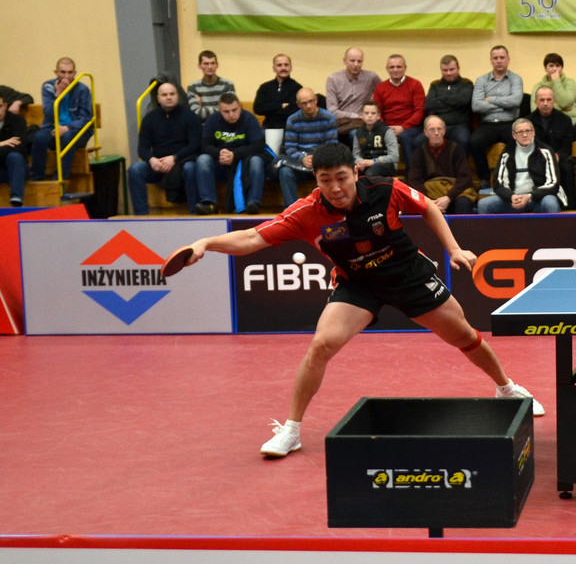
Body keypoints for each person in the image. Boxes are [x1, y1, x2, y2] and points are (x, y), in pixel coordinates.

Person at [174, 141, 541, 459]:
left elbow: (428, 207)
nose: (335, 188)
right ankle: (291, 430)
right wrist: (206, 243)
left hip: (408, 275)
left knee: (463, 335)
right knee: (322, 344)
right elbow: (252, 238)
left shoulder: (385, 188)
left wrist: (454, 249)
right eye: (325, 180)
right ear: (316, 180)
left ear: (355, 172)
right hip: (357, 284)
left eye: (341, 178)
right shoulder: (307, 212)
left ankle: (506, 388)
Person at [127, 82, 202, 215]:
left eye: (172, 94)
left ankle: (194, 213)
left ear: (177, 96)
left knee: (191, 168)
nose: (168, 97)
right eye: (164, 95)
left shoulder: (190, 117)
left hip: (182, 162)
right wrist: (152, 160)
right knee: (135, 169)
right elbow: (142, 148)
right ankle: (141, 216)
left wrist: (174, 158)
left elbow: (195, 145)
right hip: (158, 165)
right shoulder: (149, 118)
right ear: (158, 98)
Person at [198, 91, 267, 213]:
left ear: (240, 106)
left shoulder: (249, 119)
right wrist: (219, 153)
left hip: (243, 161)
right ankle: (209, 203)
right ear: (220, 110)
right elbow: (204, 145)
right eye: (226, 112)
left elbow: (258, 145)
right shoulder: (212, 120)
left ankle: (253, 202)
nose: (231, 115)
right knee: (202, 160)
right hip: (220, 160)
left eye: (234, 110)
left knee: (257, 161)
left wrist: (235, 154)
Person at [479, 118, 563, 214]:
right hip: (514, 199)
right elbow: (499, 183)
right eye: (520, 132)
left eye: (528, 131)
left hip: (538, 199)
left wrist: (530, 196)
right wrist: (511, 196)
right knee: (483, 204)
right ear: (514, 135)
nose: (525, 135)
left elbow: (553, 183)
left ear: (533, 132)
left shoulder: (546, 151)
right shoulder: (507, 153)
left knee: (550, 203)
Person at [31, 57, 93, 181]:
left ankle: (60, 178)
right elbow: (48, 114)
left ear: (75, 73)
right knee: (39, 137)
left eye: (70, 72)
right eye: (63, 72)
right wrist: (58, 95)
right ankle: (37, 177)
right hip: (53, 128)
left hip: (76, 131)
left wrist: (67, 127)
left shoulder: (82, 89)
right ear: (56, 72)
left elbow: (86, 117)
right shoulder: (48, 86)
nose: (66, 76)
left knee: (67, 136)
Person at [278, 87, 340, 209]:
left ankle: (329, 207)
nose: (309, 106)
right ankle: (292, 209)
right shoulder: (292, 120)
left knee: (335, 168)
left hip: (322, 161)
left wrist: (317, 159)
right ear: (298, 104)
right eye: (304, 103)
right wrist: (302, 158)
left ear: (316, 100)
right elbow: (289, 148)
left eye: (311, 101)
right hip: (300, 160)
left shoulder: (328, 117)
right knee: (285, 172)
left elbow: (332, 146)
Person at [408, 115, 477, 214]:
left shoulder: (456, 149)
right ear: (425, 132)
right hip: (429, 196)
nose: (436, 133)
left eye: (439, 129)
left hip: (452, 194)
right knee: (410, 208)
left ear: (444, 131)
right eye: (432, 130)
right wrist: (428, 202)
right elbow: (415, 181)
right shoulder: (419, 152)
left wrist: (448, 198)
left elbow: (465, 178)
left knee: (464, 203)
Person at [470, 45, 523, 176]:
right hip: (488, 124)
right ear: (491, 60)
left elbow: (516, 101)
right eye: (495, 58)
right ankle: (484, 179)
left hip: (509, 123)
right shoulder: (481, 80)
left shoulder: (516, 79)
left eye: (502, 57)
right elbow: (476, 106)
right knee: (474, 142)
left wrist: (491, 99)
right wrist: (504, 105)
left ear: (508, 59)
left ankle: (512, 178)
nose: (499, 61)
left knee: (519, 140)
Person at [527, 85, 576, 205]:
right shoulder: (528, 122)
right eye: (542, 100)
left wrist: (557, 156)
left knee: (567, 167)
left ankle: (571, 207)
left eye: (548, 100)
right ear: (536, 102)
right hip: (536, 160)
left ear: (554, 101)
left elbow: (567, 148)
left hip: (559, 159)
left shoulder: (565, 120)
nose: (545, 103)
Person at [372, 54, 425, 164]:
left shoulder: (415, 85)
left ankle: (411, 173)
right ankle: (380, 172)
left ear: (405, 68)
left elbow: (419, 111)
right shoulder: (380, 87)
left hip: (411, 128)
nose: (395, 70)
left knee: (406, 137)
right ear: (387, 69)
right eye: (392, 67)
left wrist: (403, 127)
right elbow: (376, 113)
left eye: (399, 67)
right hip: (386, 127)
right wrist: (386, 129)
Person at [252, 54, 302, 155]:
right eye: (279, 65)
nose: (283, 68)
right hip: (268, 128)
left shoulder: (297, 88)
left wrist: (270, 108)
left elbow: (294, 111)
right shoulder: (265, 87)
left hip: (289, 130)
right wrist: (280, 106)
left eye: (286, 65)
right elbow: (258, 108)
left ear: (291, 68)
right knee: (254, 143)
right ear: (274, 68)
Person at [423, 55, 474, 153]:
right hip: (437, 127)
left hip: (459, 126)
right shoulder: (435, 85)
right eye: (445, 70)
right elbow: (429, 105)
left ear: (458, 68)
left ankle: (460, 163)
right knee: (417, 142)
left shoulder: (466, 84)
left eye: (451, 69)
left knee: (463, 140)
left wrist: (441, 100)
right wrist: (454, 104)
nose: (448, 73)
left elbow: (463, 101)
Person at [325, 47, 379, 133]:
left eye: (359, 61)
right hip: (341, 123)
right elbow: (332, 111)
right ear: (344, 61)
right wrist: (356, 116)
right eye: (352, 61)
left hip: (361, 123)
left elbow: (385, 91)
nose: (356, 64)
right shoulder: (333, 79)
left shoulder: (371, 78)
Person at [1, 86, 35, 207]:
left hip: (15, 170)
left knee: (15, 157)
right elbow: (11, 146)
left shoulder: (17, 121)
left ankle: (16, 198)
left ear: (5, 106)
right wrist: (3, 143)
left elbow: (19, 148)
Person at [348, 100, 399, 178]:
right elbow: (356, 154)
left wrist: (374, 161)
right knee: (351, 172)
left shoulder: (387, 131)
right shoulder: (358, 133)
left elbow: (394, 156)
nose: (369, 116)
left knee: (370, 173)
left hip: (385, 165)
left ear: (378, 116)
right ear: (362, 115)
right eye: (366, 113)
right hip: (365, 163)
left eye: (373, 113)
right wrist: (360, 162)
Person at [187, 50, 235, 121]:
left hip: (222, 125)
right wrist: (220, 108)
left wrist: (202, 108)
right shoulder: (193, 87)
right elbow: (195, 113)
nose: (210, 67)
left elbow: (229, 110)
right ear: (199, 66)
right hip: (202, 126)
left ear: (217, 65)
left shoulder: (227, 85)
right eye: (206, 64)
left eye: (213, 63)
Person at [533, 52, 576, 122]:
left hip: (571, 119)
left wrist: (556, 80)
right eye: (551, 66)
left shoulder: (569, 82)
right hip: (547, 121)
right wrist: (563, 108)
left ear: (562, 68)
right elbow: (534, 109)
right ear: (545, 68)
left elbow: (566, 103)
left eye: (558, 66)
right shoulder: (538, 86)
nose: (554, 69)